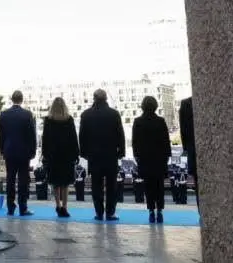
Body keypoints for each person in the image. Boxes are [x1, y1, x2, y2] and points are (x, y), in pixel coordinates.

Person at [78, 88, 125, 221]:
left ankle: (99, 212)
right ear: (106, 99)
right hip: (111, 155)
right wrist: (121, 151)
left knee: (96, 185)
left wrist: (84, 153)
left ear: (94, 98)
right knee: (112, 186)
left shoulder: (86, 115)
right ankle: (110, 213)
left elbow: (82, 136)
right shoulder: (114, 114)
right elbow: (120, 134)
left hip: (94, 156)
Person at [132, 95, 171, 223]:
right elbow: (166, 141)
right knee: (159, 186)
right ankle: (160, 211)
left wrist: (137, 157)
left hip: (145, 159)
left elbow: (135, 142)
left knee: (148, 186)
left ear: (143, 106)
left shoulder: (138, 121)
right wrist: (166, 157)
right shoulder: (160, 121)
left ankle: (151, 211)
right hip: (159, 159)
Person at [0, 90, 37, 216]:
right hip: (24, 152)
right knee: (23, 180)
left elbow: (1, 135)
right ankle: (23, 207)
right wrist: (33, 151)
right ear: (22, 99)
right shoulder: (27, 115)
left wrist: (2, 150)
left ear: (12, 99)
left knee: (10, 179)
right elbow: (32, 135)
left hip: (9, 151)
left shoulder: (3, 115)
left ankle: (10, 207)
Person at [41, 96, 79, 218]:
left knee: (55, 182)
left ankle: (57, 205)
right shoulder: (69, 119)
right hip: (67, 156)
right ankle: (65, 207)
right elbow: (74, 138)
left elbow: (45, 139)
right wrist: (76, 154)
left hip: (53, 156)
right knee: (65, 183)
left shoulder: (48, 120)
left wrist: (45, 154)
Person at [179, 96, 198, 208]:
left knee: (198, 184)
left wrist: (186, 148)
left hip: (193, 151)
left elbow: (183, 130)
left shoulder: (185, 104)